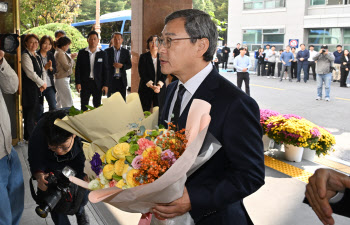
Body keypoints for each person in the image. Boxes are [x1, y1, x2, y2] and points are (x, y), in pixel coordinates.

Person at [156, 9, 265, 225]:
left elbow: (250, 174)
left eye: (169, 41)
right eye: (161, 40)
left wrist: (194, 198)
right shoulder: (171, 90)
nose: (160, 49)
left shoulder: (235, 103)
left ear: (201, 46)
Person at [28, 109, 90, 225]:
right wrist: (40, 175)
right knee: (54, 199)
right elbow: (34, 157)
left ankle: (80, 211)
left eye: (63, 147)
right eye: (53, 147)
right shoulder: (40, 131)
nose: (59, 151)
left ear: (74, 134)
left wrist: (90, 172)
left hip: (77, 159)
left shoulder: (83, 127)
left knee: (83, 194)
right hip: (50, 163)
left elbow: (94, 154)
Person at [0, 50, 24, 225]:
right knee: (4, 217)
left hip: (8, 149)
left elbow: (12, 86)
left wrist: (1, 61)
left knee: (16, 205)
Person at [21, 34, 47, 141]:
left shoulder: (37, 55)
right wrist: (41, 83)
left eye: (36, 42)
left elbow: (43, 70)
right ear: (26, 43)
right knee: (30, 113)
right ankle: (29, 138)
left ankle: (32, 135)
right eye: (31, 42)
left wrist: (43, 83)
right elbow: (30, 73)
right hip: (29, 89)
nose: (34, 44)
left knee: (36, 111)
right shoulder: (25, 55)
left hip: (38, 88)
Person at [75, 31, 108, 111]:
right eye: (91, 39)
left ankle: (96, 122)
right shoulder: (82, 53)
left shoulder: (102, 54)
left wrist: (105, 85)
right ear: (87, 40)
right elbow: (78, 68)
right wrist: (78, 82)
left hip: (97, 83)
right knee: (84, 105)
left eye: (95, 39)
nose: (93, 41)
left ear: (98, 40)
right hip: (85, 83)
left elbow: (106, 70)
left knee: (97, 105)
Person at [138, 35, 166, 113]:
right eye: (151, 41)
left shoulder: (163, 57)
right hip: (146, 88)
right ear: (148, 44)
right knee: (144, 112)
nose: (154, 43)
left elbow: (165, 73)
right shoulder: (143, 57)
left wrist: (159, 86)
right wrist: (152, 86)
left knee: (159, 113)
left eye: (156, 41)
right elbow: (142, 74)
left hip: (159, 89)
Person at [105, 32, 132, 99]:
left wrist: (122, 66)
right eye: (115, 39)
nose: (117, 41)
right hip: (111, 80)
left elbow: (129, 65)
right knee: (110, 101)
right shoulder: (106, 51)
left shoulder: (126, 52)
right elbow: (104, 65)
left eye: (119, 39)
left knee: (122, 101)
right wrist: (112, 65)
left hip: (121, 81)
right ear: (112, 40)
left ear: (122, 40)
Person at [54, 36, 76, 108]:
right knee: (67, 101)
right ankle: (68, 116)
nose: (68, 47)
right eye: (68, 45)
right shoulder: (60, 53)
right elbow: (67, 67)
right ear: (64, 45)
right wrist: (72, 59)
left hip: (60, 78)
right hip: (62, 78)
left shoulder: (60, 52)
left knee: (60, 100)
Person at [37, 35, 57, 112]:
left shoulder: (50, 54)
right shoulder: (36, 55)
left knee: (53, 106)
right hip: (39, 85)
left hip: (49, 85)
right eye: (45, 43)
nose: (47, 46)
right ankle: (40, 123)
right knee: (39, 109)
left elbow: (55, 70)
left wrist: (51, 68)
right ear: (41, 43)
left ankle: (51, 123)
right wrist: (45, 68)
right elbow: (34, 72)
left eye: (49, 44)